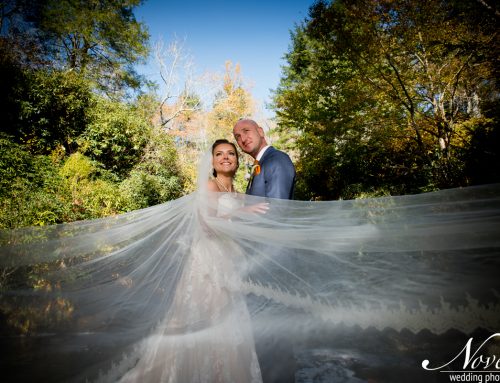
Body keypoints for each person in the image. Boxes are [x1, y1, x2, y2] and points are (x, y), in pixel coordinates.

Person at [233, 119, 296, 199]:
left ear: (260, 132)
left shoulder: (277, 159)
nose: (243, 139)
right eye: (238, 137)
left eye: (246, 131)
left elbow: (277, 208)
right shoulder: (259, 164)